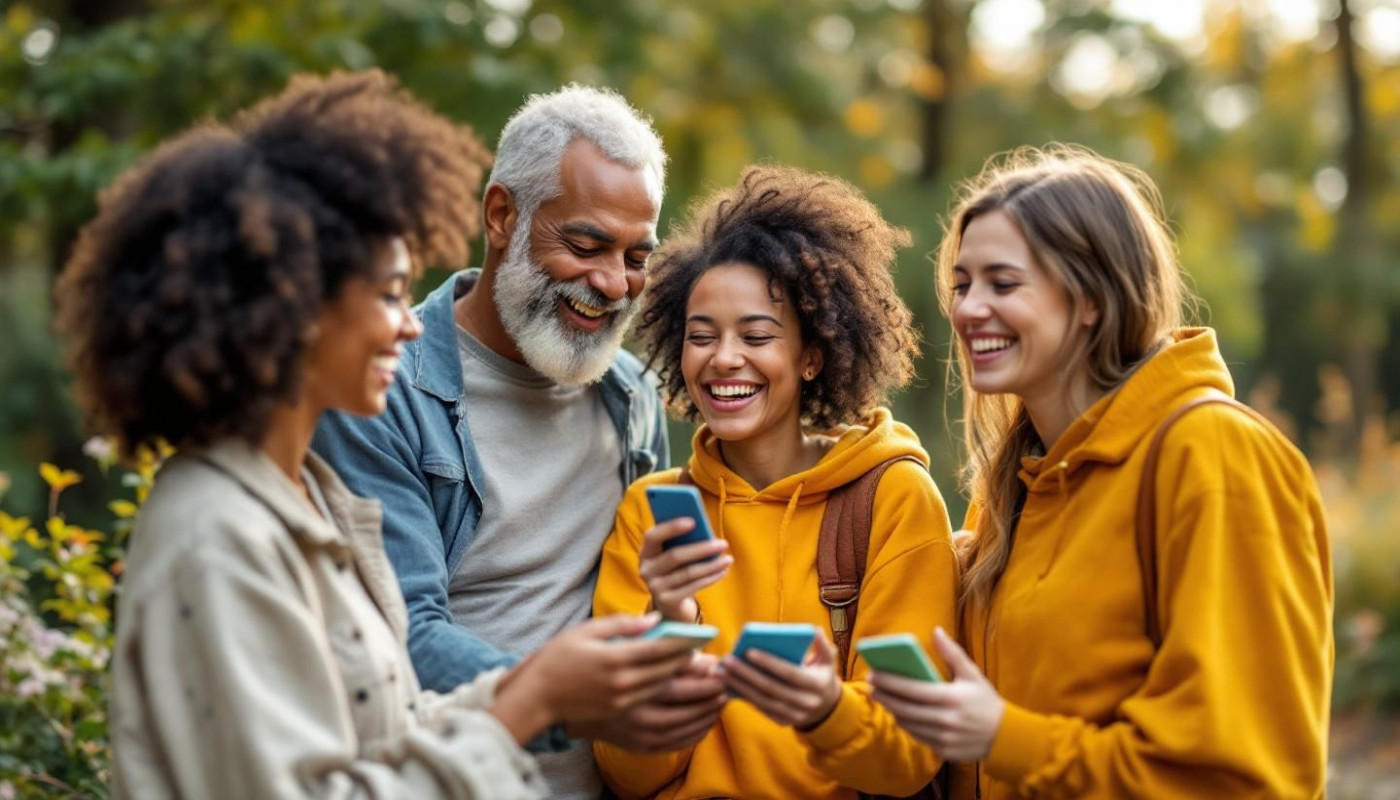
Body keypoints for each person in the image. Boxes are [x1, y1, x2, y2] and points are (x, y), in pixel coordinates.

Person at [57, 70, 698, 799]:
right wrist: (540, 696)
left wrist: (588, 679)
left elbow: (379, 724)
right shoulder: (220, 532)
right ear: (299, 311)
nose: (408, 322)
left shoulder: (301, 505)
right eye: (390, 294)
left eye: (635, 257)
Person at [870, 146, 1333, 798]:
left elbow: (1249, 775)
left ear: (1090, 298)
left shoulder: (1214, 457)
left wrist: (1004, 738)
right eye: (962, 284)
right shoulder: (1013, 489)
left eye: (1003, 283)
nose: (969, 309)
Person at [312, 84, 724, 797]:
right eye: (587, 244)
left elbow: (637, 596)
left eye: (635, 256)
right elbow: (399, 636)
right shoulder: (383, 393)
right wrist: (566, 697)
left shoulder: (630, 396)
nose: (613, 283)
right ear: (502, 215)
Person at [593, 165, 960, 798]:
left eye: (757, 335)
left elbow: (909, 759)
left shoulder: (892, 498)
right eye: (700, 336)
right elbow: (628, 774)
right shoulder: (652, 514)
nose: (723, 358)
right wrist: (668, 619)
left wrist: (823, 710)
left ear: (811, 356)